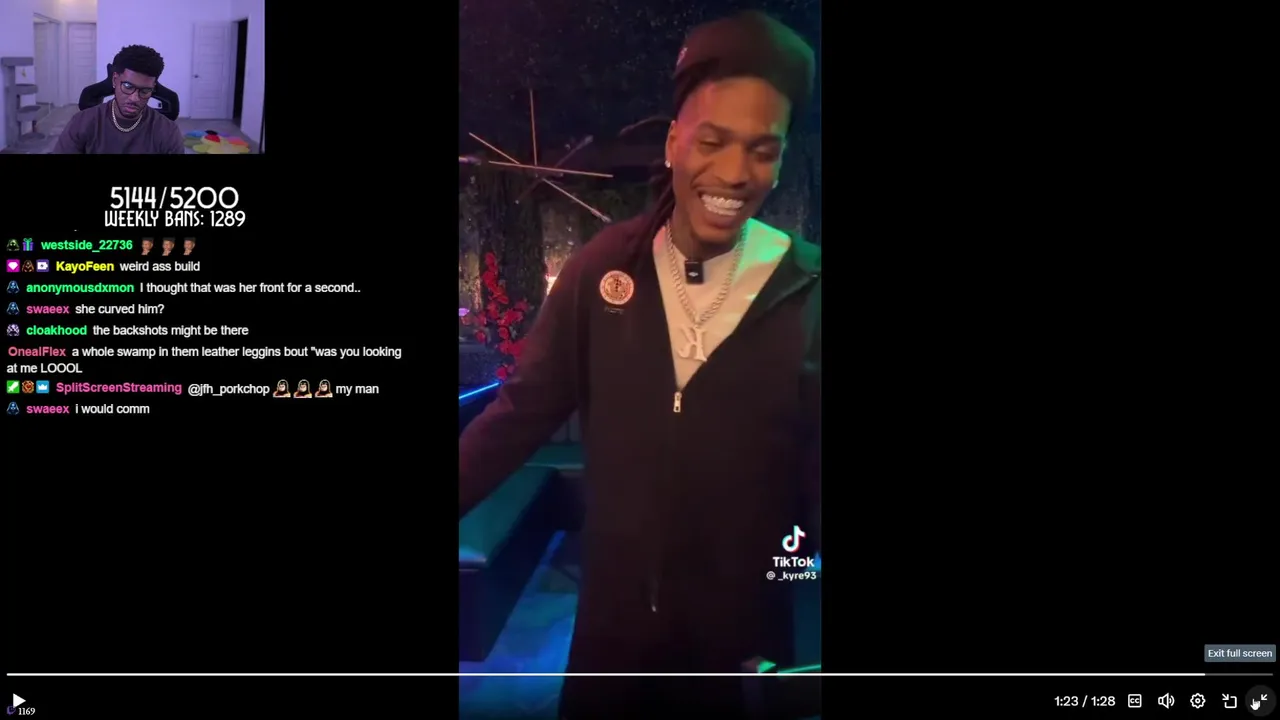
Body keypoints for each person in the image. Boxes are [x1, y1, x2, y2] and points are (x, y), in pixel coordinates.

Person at [458, 11, 819, 718]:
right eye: (712, 141)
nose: (734, 173)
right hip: (612, 646)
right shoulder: (602, 270)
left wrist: (797, 598)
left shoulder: (809, 289)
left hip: (746, 653)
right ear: (675, 140)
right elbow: (517, 416)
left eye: (762, 150)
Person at [52, 45, 184, 155]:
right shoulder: (81, 123)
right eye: (127, 86)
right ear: (115, 80)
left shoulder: (168, 132)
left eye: (145, 91)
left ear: (153, 88)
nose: (134, 98)